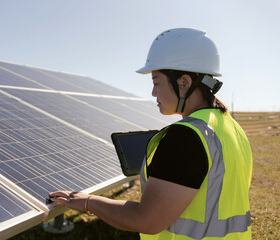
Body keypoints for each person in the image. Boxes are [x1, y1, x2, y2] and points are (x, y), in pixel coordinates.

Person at [49, 28, 253, 239]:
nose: (153, 92)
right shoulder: (230, 127)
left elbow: (145, 219)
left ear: (183, 82)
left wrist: (88, 202)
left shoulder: (186, 138)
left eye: (156, 82)